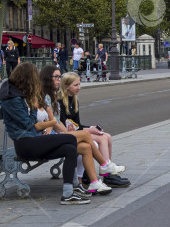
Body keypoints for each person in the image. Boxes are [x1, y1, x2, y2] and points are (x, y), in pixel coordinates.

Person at [0, 63, 90, 204]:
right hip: (25, 144)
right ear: (27, 78)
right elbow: (28, 124)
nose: (36, 81)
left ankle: (69, 192)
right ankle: (73, 188)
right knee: (71, 139)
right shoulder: (13, 99)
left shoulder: (18, 95)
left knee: (69, 148)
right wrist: (35, 108)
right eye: (34, 77)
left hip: (33, 140)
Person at [37, 66, 115, 194]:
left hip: (54, 134)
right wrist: (67, 133)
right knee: (87, 138)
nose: (59, 80)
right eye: (56, 77)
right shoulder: (47, 97)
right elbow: (52, 122)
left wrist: (67, 132)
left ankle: (93, 182)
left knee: (87, 145)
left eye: (59, 77)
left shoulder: (51, 97)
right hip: (43, 138)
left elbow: (55, 121)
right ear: (47, 79)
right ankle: (103, 167)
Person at [58, 72, 125, 172]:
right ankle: (106, 168)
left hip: (76, 131)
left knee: (107, 136)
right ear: (66, 86)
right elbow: (63, 125)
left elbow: (78, 124)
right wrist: (90, 130)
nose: (79, 87)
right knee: (102, 139)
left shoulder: (74, 100)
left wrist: (92, 128)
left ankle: (109, 168)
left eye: (79, 84)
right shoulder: (61, 101)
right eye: (75, 85)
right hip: (68, 134)